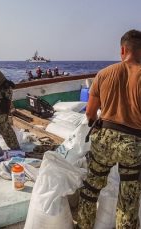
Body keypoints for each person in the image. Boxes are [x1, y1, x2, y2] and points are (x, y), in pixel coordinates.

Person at [76, 29, 141, 229]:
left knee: (91, 188)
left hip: (105, 137)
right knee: (128, 196)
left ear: (123, 49)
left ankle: (83, 225)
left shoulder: (104, 74)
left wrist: (95, 126)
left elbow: (90, 112)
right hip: (133, 143)